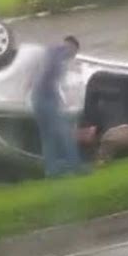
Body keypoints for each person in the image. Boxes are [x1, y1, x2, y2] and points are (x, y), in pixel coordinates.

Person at [32, 36, 84, 177]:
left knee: (47, 136)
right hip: (45, 98)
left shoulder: (51, 51)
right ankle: (76, 166)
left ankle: (51, 170)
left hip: (37, 98)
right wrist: (55, 99)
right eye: (74, 52)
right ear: (71, 46)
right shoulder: (59, 53)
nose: (72, 56)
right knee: (65, 133)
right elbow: (48, 76)